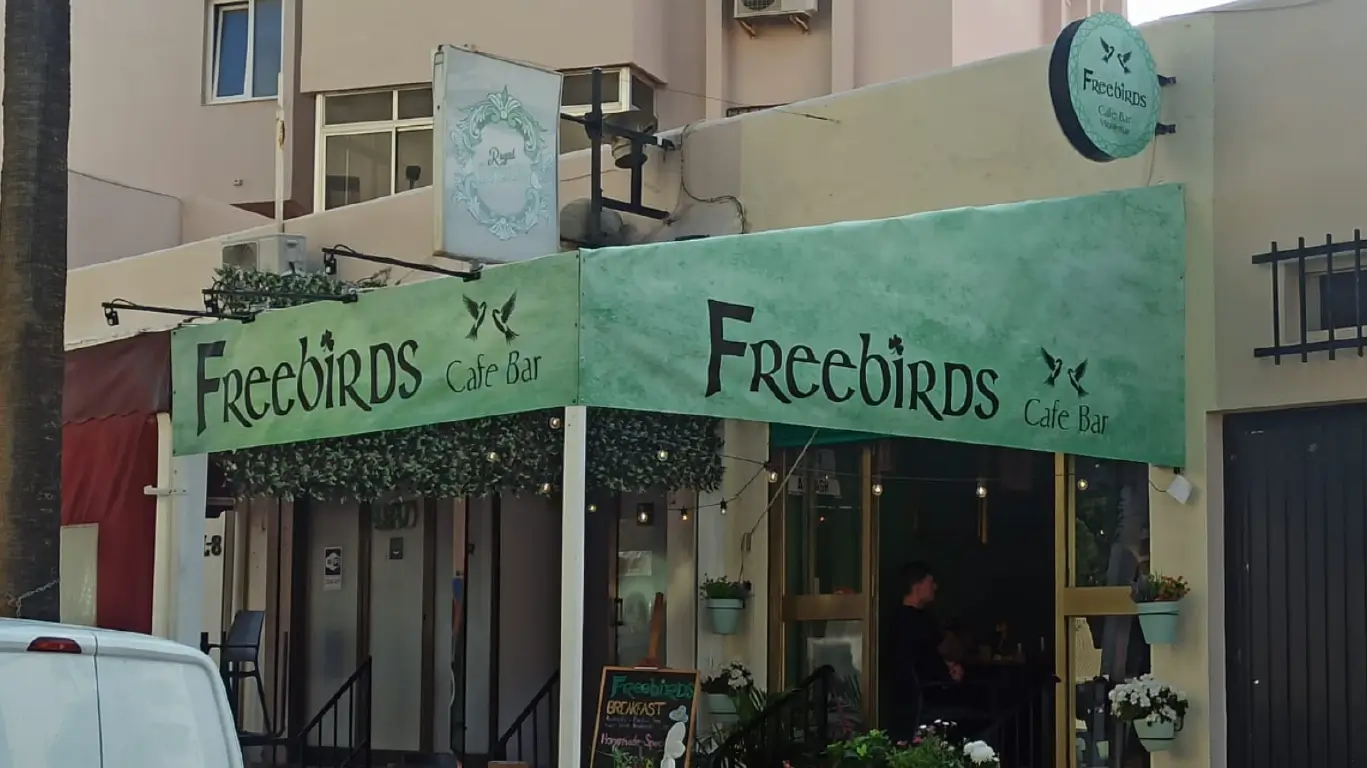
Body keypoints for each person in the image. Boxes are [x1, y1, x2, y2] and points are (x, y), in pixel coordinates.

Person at [886, 561, 964, 740]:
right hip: (920, 699)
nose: (935, 587)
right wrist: (950, 672)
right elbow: (932, 656)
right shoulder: (920, 621)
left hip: (904, 697)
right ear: (917, 585)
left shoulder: (896, 618)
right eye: (930, 582)